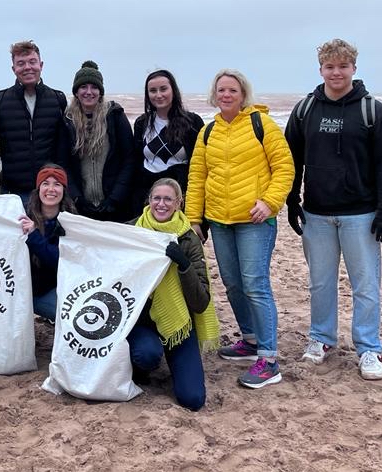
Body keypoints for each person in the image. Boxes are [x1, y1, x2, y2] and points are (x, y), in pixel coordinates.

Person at [283, 39, 382, 381]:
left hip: (360, 215)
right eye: (330, 66)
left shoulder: (372, 110)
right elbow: (291, 160)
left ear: (354, 69)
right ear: (320, 69)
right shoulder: (306, 109)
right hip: (317, 213)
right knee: (320, 283)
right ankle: (321, 339)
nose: (336, 72)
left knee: (365, 285)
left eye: (343, 66)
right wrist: (292, 200)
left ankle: (368, 348)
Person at [186, 69, 294, 389]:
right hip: (220, 221)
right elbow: (197, 179)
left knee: (255, 285)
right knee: (233, 284)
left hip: (255, 221)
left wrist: (270, 202)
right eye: (221, 90)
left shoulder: (263, 125)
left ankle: (269, 359)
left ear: (243, 94)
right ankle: (249, 340)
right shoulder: (207, 133)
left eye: (232, 90)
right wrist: (194, 219)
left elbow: (284, 168)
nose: (226, 95)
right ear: (214, 95)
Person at [128, 178, 220, 411]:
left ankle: (170, 357)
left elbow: (201, 303)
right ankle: (139, 367)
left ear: (179, 203)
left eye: (168, 199)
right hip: (143, 321)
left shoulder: (188, 238)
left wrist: (184, 265)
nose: (161, 204)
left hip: (178, 321)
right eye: (156, 198)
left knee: (193, 399)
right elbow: (99, 243)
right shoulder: (132, 229)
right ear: (148, 200)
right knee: (146, 355)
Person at [0, 41, 69, 206]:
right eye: (21, 63)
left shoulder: (58, 99)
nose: (27, 67)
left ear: (41, 65)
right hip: (13, 191)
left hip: (49, 190)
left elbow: (64, 147)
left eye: (32, 62)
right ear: (13, 69)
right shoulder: (0, 100)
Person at [64, 60, 135, 222]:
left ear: (100, 91)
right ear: (76, 91)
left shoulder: (115, 115)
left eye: (94, 87)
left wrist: (115, 198)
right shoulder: (67, 121)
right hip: (81, 208)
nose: (89, 92)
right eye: (83, 87)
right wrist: (76, 198)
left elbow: (129, 159)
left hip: (114, 204)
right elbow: (64, 163)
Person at [131, 69, 205, 210]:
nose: (158, 95)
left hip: (179, 195)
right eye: (153, 90)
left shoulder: (192, 122)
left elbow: (199, 166)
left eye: (163, 89)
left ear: (173, 90)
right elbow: (136, 161)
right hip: (147, 195)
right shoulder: (142, 123)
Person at [18, 164, 77, 321]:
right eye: (46, 183)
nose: (51, 189)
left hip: (48, 290)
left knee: (70, 317)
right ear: (38, 189)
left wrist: (33, 235)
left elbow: (59, 260)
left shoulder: (72, 222)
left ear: (64, 190)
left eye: (57, 184)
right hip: (17, 290)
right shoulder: (21, 215)